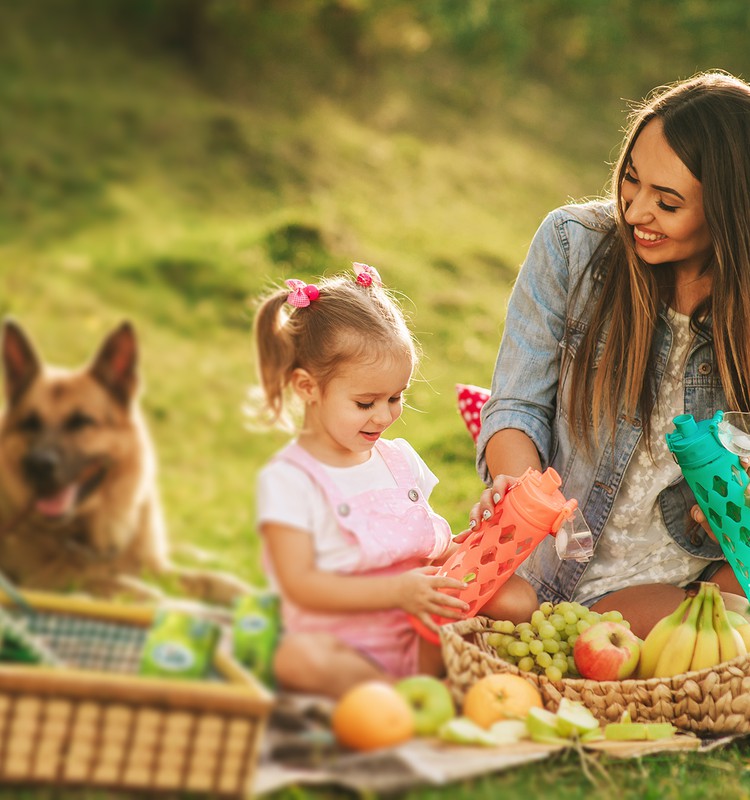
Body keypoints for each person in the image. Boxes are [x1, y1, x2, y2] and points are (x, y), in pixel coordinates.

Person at [472, 72, 750, 640]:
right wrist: (518, 493)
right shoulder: (571, 246)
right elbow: (518, 405)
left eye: (667, 202)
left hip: (669, 597)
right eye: (631, 179)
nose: (636, 212)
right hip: (534, 574)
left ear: (730, 211)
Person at [252, 264, 537, 697]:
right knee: (299, 659)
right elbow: (300, 585)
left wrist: (491, 531)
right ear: (308, 387)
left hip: (418, 627)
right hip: (345, 638)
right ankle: (397, 695)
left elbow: (436, 550)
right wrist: (396, 591)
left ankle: (426, 688)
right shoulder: (291, 480)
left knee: (516, 600)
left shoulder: (398, 461)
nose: (385, 416)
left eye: (395, 398)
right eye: (366, 402)